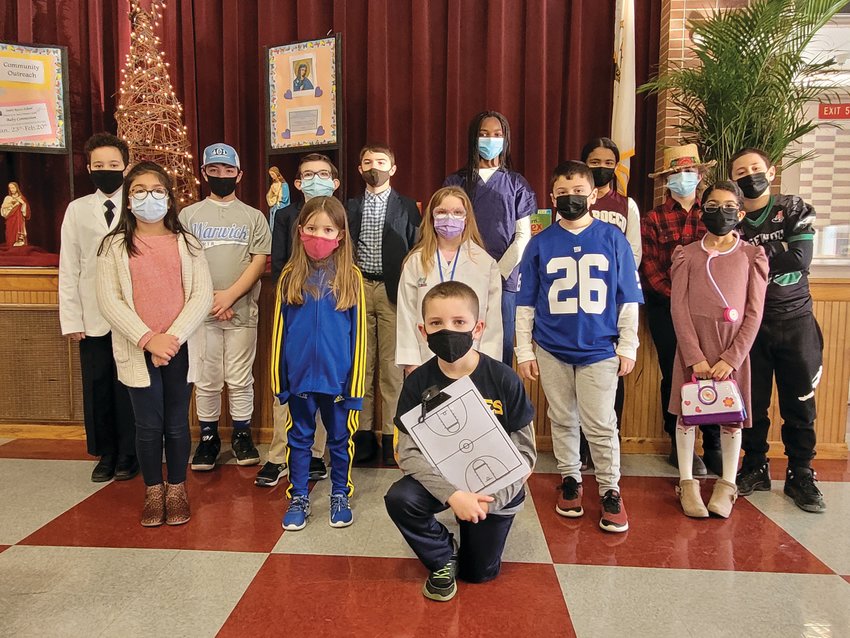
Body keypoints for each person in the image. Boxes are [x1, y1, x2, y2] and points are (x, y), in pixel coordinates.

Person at [385, 281, 536, 602]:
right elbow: (407, 453)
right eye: (436, 323)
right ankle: (442, 554)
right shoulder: (418, 384)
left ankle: (472, 539)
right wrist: (454, 496)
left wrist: (485, 503)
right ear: (423, 331)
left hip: (495, 491)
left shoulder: (503, 379)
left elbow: (525, 456)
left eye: (459, 323)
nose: (447, 331)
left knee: (478, 574)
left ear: (477, 328)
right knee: (400, 498)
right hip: (444, 483)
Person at [516, 160, 643, 533]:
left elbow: (627, 297)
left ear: (592, 194)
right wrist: (524, 350)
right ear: (552, 197)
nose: (571, 199)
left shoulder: (612, 238)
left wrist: (629, 344)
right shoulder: (540, 243)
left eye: (578, 192)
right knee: (561, 417)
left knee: (601, 423)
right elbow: (526, 302)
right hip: (552, 346)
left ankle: (609, 488)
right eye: (563, 193)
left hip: (600, 347)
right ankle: (570, 479)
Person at [96, 161, 213, 527]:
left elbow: (201, 295)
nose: (150, 197)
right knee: (148, 425)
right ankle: (153, 490)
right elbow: (109, 300)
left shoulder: (188, 242)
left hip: (180, 348)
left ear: (169, 197)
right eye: (140, 191)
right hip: (137, 348)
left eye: (157, 190)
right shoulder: (114, 246)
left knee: (177, 423)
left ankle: (176, 488)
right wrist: (148, 339)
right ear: (129, 201)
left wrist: (171, 339)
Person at [730, 148, 826, 513]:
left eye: (755, 169)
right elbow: (728, 264)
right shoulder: (733, 220)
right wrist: (776, 250)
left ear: (770, 173)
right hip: (750, 326)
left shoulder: (793, 208)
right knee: (752, 403)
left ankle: (801, 472)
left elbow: (800, 258)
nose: (749, 175)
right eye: (741, 171)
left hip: (795, 319)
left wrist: (751, 259)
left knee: (800, 402)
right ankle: (754, 465)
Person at [668, 181, 768, 518]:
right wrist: (694, 356)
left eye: (728, 206)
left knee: (731, 418)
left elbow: (754, 313)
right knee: (688, 415)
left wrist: (731, 358)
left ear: (740, 213)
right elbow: (678, 309)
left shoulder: (751, 256)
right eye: (712, 206)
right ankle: (687, 481)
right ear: (702, 210)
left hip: (731, 350)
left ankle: (726, 484)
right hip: (693, 349)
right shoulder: (687, 254)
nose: (720, 212)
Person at [272, 196, 366, 530]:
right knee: (299, 439)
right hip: (298, 380)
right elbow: (278, 335)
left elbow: (359, 338)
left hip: (338, 382)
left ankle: (340, 492)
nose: (319, 235)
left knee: (340, 440)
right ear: (299, 231)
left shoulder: (351, 277)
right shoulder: (289, 276)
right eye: (312, 228)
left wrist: (354, 387)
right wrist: (280, 383)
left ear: (341, 235)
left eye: (327, 229)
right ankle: (298, 495)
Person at [179, 143, 271, 472]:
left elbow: (258, 261)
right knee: (207, 377)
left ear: (239, 175)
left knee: (239, 376)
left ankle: (242, 435)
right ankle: (208, 438)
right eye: (214, 171)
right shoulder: (188, 216)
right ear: (204, 173)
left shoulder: (253, 216)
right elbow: (185, 263)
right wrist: (211, 298)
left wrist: (229, 296)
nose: (221, 176)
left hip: (242, 310)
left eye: (228, 171)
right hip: (200, 313)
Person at [59, 133, 137, 483]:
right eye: (99, 165)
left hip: (133, 316)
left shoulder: (139, 203)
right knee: (98, 383)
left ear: (126, 166)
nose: (107, 171)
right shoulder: (77, 210)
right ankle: (105, 453)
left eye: (114, 165)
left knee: (130, 385)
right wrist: (71, 318)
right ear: (89, 168)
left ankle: (130, 453)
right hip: (92, 316)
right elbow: (69, 267)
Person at [260, 153, 340, 487]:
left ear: (334, 182)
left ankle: (317, 455)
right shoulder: (286, 216)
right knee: (290, 382)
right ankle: (279, 456)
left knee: (324, 383)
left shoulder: (341, 213)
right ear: (297, 183)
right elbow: (278, 261)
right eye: (308, 175)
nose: (315, 179)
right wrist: (290, 295)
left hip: (330, 305)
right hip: (295, 303)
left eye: (322, 174)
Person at [641, 144, 721, 476]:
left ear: (700, 175)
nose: (683, 178)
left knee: (714, 372)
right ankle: (678, 442)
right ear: (666, 179)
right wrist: (678, 301)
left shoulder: (714, 215)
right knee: (674, 374)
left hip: (710, 310)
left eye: (689, 172)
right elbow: (649, 266)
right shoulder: (654, 217)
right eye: (676, 173)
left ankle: (714, 443)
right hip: (666, 309)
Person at [346, 144, 420, 465]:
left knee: (392, 367)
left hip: (393, 290)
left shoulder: (407, 206)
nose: (373, 166)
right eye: (367, 162)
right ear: (359, 168)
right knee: (362, 365)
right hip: (360, 285)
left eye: (380, 161)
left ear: (393, 168)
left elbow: (417, 247)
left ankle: (392, 434)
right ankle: (362, 434)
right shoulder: (348, 206)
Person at [444, 110, 536, 366]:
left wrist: (497, 271)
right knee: (462, 341)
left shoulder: (517, 184)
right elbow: (447, 230)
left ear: (505, 140)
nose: (490, 140)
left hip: (504, 280)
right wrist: (470, 268)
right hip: (463, 275)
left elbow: (523, 236)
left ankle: (499, 404)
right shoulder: (456, 182)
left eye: (497, 135)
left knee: (501, 345)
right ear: (473, 138)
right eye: (484, 134)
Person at [578, 136, 643, 468]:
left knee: (610, 375)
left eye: (608, 163)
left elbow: (633, 254)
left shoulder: (626, 205)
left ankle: (605, 445)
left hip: (611, 302)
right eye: (595, 162)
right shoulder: (572, 201)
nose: (601, 168)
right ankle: (579, 447)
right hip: (576, 302)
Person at [396, 186, 502, 373]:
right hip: (425, 357)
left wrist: (488, 362)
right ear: (431, 217)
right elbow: (406, 312)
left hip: (473, 357)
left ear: (467, 218)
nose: (449, 218)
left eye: (457, 212)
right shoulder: (415, 261)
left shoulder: (485, 263)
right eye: (442, 212)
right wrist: (411, 361)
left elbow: (492, 318)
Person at [1, 182, 30, 247]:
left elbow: (26, 211)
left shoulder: (21, 198)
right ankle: (10, 246)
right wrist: (12, 204)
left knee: (19, 232)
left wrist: (23, 203)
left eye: (13, 187)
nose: (12, 189)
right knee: (10, 232)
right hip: (10, 219)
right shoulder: (7, 198)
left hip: (19, 219)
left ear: (17, 188)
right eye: (10, 188)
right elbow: (3, 209)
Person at [266, 166, 290, 231]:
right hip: (274, 207)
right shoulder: (273, 185)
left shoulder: (284, 185)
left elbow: (285, 197)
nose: (272, 176)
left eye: (273, 174)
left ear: (276, 173)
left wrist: (278, 196)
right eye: (270, 175)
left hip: (281, 206)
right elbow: (268, 195)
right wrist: (273, 198)